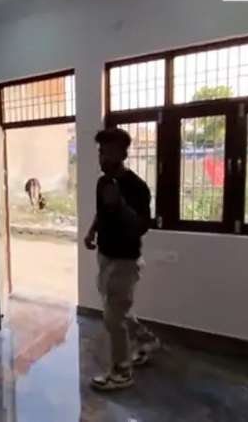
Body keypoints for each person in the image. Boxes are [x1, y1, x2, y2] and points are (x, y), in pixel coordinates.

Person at [84, 127, 161, 391]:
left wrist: (120, 205)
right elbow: (102, 212)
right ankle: (146, 340)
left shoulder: (137, 187)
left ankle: (122, 371)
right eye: (100, 151)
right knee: (116, 309)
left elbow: (141, 226)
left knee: (112, 318)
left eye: (108, 152)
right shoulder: (102, 182)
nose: (102, 157)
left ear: (123, 154)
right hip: (104, 255)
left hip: (125, 260)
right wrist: (91, 231)